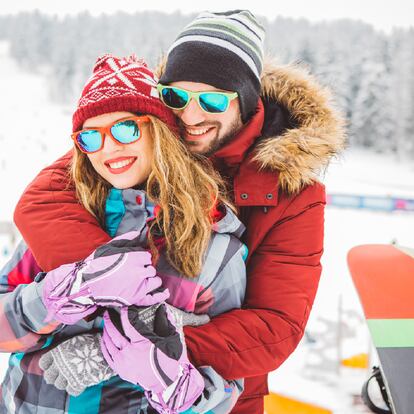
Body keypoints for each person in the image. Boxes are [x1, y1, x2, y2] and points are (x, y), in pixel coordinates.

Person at [13, 10, 346, 413]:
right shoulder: (134, 142)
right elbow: (43, 200)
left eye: (211, 100)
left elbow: (276, 327)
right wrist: (101, 282)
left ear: (247, 101)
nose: (189, 117)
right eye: (175, 97)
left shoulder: (292, 191)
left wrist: (135, 343)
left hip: (214, 390)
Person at [0, 55, 247, 413]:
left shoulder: (212, 248)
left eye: (125, 128)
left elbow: (227, 387)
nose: (109, 148)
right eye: (90, 137)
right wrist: (61, 294)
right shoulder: (61, 221)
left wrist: (169, 380)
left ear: (159, 131)